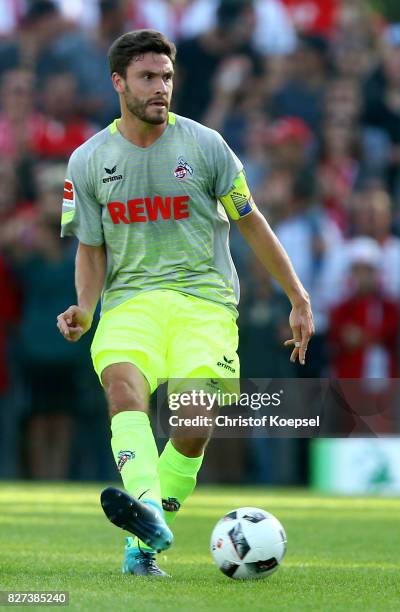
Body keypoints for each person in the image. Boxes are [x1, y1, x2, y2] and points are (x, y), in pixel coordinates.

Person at [57, 29, 314, 577]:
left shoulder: (206, 145)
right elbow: (90, 247)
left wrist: (297, 295)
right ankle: (149, 515)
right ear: (118, 82)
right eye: (149, 78)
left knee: (192, 422)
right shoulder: (87, 159)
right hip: (130, 304)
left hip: (205, 303)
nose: (161, 88)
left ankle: (145, 533)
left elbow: (252, 222)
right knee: (124, 392)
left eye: (167, 77)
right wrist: (84, 305)